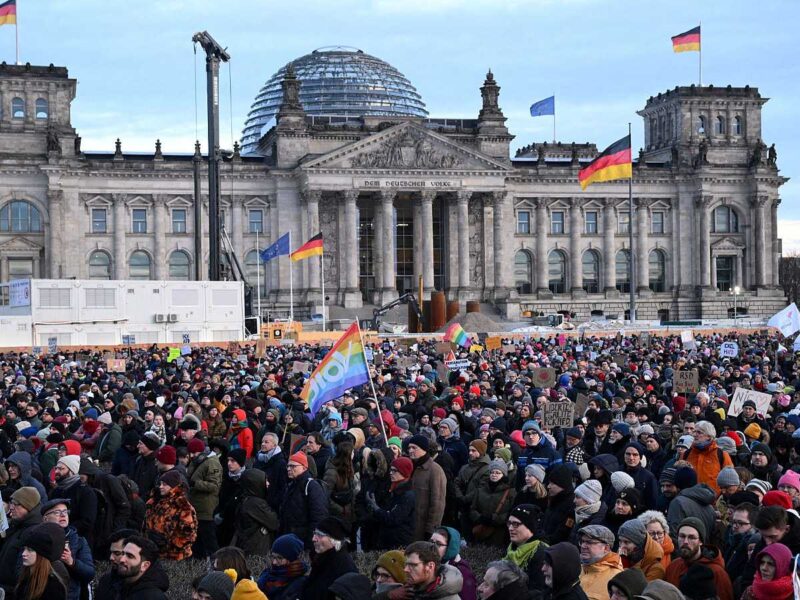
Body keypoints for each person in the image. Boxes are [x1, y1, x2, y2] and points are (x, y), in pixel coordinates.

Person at [664, 517, 733, 600]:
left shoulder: (717, 572)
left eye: (691, 537)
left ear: (700, 541)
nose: (685, 541)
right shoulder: (673, 567)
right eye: (682, 536)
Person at [41, 498, 95, 600]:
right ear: (45, 518)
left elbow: (90, 573)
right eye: (57, 512)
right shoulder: (36, 538)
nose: (63, 515)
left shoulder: (79, 541)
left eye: (65, 511)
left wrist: (72, 562)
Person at [144, 469, 198, 560]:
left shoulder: (183, 506)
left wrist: (168, 543)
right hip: (153, 551)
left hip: (174, 557)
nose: (160, 487)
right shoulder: (155, 501)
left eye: (164, 484)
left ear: (174, 487)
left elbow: (188, 534)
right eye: (160, 483)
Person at [279, 451, 329, 549]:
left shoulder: (311, 486)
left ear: (304, 467)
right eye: (288, 466)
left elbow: (318, 516)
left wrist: (310, 542)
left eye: (293, 466)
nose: (289, 469)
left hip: (303, 541)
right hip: (291, 539)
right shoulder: (291, 485)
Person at [300, 516, 357, 600]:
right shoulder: (321, 560)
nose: (313, 539)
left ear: (334, 539)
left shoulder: (344, 567)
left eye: (319, 535)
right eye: (314, 534)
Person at [96, 535, 170, 599]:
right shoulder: (114, 584)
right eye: (123, 554)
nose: (122, 559)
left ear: (145, 565)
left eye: (130, 556)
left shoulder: (152, 597)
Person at [0, 486, 43, 596]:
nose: (11, 508)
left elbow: (23, 573)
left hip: (11, 592)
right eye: (11, 503)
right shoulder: (16, 525)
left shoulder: (33, 532)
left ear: (28, 506)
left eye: (16, 504)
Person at [366, 456, 416, 549]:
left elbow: (393, 518)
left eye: (394, 471)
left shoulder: (407, 495)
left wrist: (375, 507)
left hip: (398, 543)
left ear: (403, 472)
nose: (390, 473)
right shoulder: (395, 488)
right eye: (391, 470)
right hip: (390, 540)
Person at [186, 436, 223, 559]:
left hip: (206, 509)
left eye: (193, 452)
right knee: (197, 543)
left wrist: (195, 484)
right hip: (196, 508)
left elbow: (214, 486)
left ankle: (218, 566)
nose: (191, 455)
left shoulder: (211, 462)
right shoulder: (197, 461)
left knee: (210, 542)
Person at [50, 454, 98, 543]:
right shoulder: (56, 491)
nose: (56, 471)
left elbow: (87, 521)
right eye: (56, 468)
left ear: (72, 471)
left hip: (79, 541)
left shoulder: (86, 492)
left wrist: (66, 529)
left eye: (61, 469)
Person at [408, 434, 447, 541]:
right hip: (408, 526)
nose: (410, 450)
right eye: (409, 448)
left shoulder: (435, 470)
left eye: (414, 448)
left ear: (424, 449)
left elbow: (437, 504)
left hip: (423, 528)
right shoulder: (411, 467)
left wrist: (431, 530)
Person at [16, 522, 69, 600]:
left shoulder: (53, 587)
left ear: (41, 555)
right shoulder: (25, 579)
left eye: (30, 550)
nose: (24, 554)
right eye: (24, 549)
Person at [469, 458, 516, 546]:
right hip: (481, 531)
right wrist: (480, 518)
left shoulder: (510, 492)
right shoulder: (481, 489)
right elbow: (472, 509)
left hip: (499, 534)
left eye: (498, 473)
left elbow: (510, 513)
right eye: (492, 472)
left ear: (503, 475)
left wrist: (495, 519)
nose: (494, 475)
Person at [232, 467, 279, 554]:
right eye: (265, 481)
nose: (268, 484)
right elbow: (274, 522)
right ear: (256, 483)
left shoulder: (245, 498)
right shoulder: (255, 503)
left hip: (248, 546)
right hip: (256, 549)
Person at [504, 504, 547, 595]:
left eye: (516, 524)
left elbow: (538, 592)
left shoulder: (541, 553)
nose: (510, 528)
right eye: (509, 523)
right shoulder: (511, 548)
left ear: (530, 526)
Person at [576, 525, 622, 600]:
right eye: (582, 541)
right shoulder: (577, 569)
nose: (583, 546)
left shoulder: (616, 577)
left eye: (589, 542)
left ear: (606, 548)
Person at [257, 534, 309, 600]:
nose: (274, 562)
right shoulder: (266, 574)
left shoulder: (300, 584)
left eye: (279, 558)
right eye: (273, 557)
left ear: (292, 559)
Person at [431, 526, 477, 600]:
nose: (432, 547)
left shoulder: (463, 572)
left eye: (438, 544)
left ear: (450, 547)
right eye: (431, 542)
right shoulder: (429, 563)